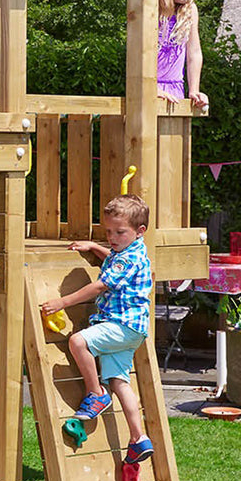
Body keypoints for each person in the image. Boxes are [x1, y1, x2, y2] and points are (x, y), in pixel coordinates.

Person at [40, 194, 155, 464]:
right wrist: (95, 246)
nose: (113, 238)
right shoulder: (134, 250)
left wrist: (62, 302)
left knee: (78, 342)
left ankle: (96, 394)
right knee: (120, 381)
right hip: (133, 331)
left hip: (121, 325)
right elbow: (115, 259)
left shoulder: (125, 259)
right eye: (109, 231)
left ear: (140, 231)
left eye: (119, 232)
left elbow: (100, 285)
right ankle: (139, 438)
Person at [157, 0, 208, 109]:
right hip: (146, 89)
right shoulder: (151, 8)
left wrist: (194, 90)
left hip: (175, 90)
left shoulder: (189, 11)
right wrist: (149, 88)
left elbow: (194, 53)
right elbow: (137, 52)